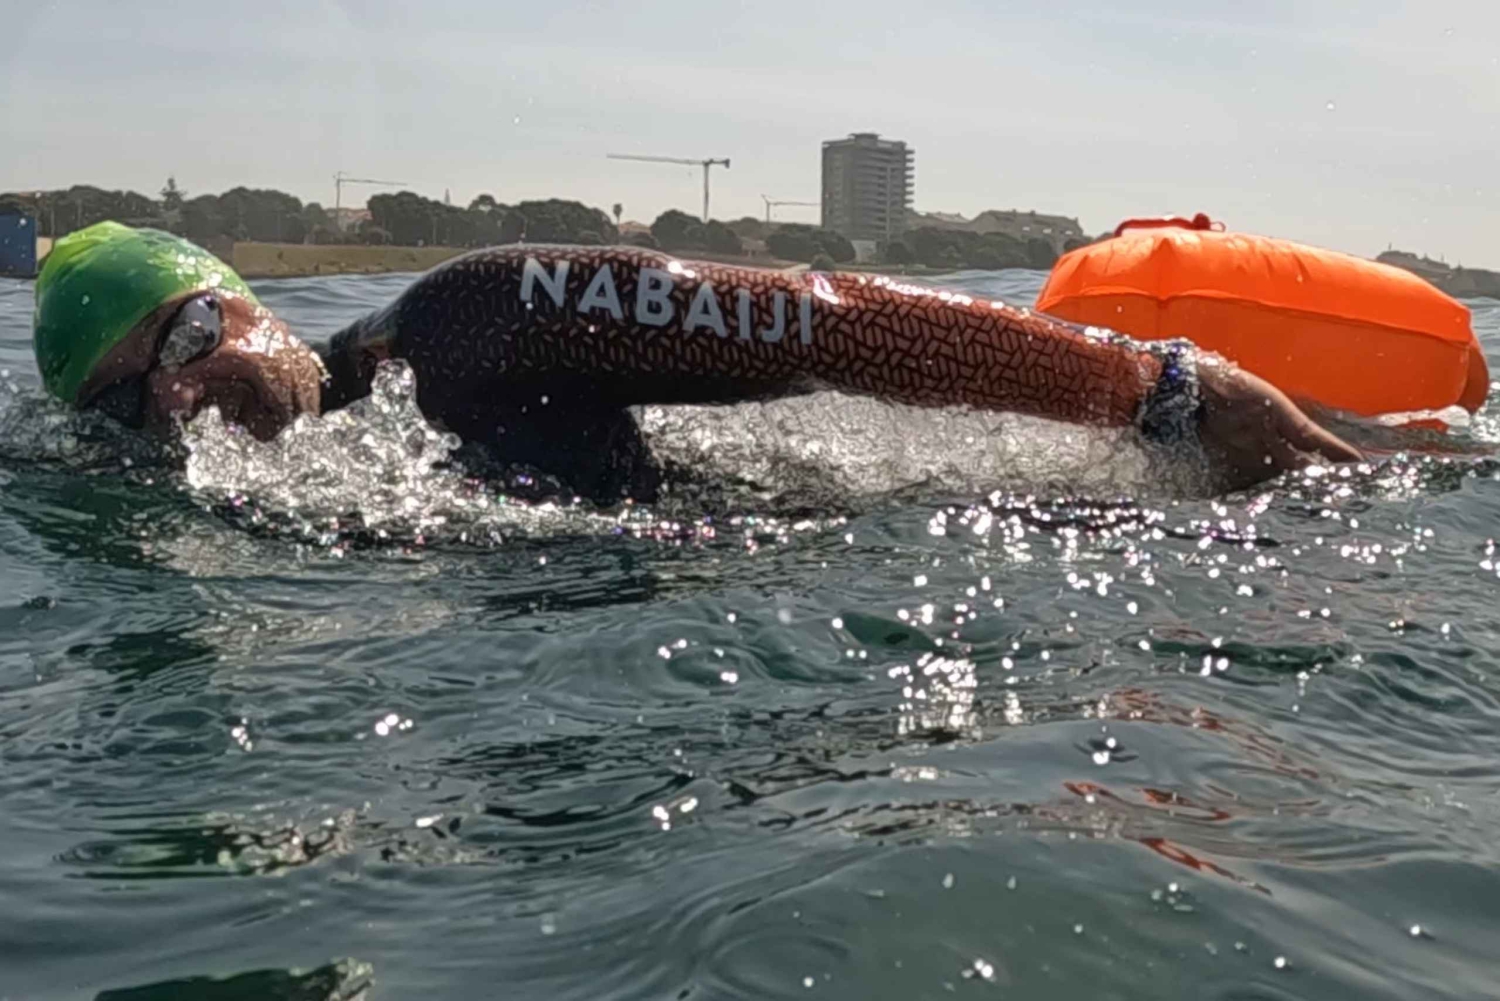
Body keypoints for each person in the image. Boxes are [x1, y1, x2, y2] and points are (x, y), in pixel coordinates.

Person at [31, 222, 1360, 500]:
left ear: (250, 308)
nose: (182, 393)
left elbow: (825, 318)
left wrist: (1163, 393)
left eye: (192, 336)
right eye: (130, 399)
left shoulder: (472, 323)